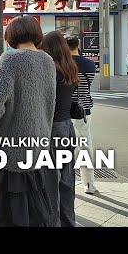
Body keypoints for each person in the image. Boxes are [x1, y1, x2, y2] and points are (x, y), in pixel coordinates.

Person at [0, 16, 56, 227]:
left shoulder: (11, 59)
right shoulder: (47, 60)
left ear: (11, 36)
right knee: (32, 207)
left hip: (11, 147)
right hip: (38, 142)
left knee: (10, 212)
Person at [41, 32, 79, 227]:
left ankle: (52, 222)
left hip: (51, 129)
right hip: (67, 127)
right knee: (66, 179)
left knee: (49, 181)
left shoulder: (49, 71)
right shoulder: (70, 68)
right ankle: (68, 221)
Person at [66, 36, 98, 195]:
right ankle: (89, 185)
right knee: (86, 146)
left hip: (66, 111)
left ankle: (66, 181)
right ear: (78, 45)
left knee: (65, 148)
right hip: (85, 110)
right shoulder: (90, 64)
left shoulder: (64, 64)